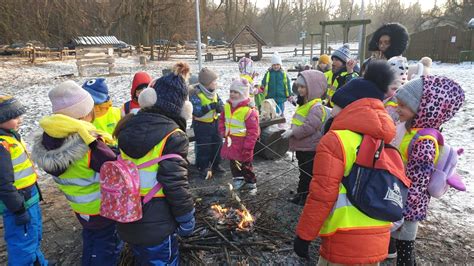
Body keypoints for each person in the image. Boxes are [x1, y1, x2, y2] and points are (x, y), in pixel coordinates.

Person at [294, 60, 396, 265]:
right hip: (378, 233)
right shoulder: (383, 139)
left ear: (351, 108)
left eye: (336, 106)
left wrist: (304, 235)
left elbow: (323, 194)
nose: (331, 112)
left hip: (344, 234)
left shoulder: (336, 141)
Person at [31, 81, 122, 265]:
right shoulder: (87, 142)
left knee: (91, 238)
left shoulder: (51, 138)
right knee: (107, 246)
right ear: (83, 113)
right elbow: (113, 166)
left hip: (79, 206)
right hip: (101, 206)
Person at [114, 62, 195, 264]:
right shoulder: (174, 136)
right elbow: (175, 184)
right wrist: (186, 219)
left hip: (127, 213)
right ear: (181, 107)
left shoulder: (127, 125)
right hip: (156, 222)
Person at [390, 75, 465, 265]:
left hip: (409, 203)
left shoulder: (424, 142)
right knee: (398, 243)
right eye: (398, 103)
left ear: (423, 109)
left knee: (405, 247)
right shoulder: (408, 127)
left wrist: (404, 208)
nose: (398, 108)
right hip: (398, 195)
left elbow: (418, 182)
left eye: (404, 106)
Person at [0, 96, 48, 265]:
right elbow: (3, 184)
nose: (20, 120)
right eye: (14, 117)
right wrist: (18, 210)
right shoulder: (2, 145)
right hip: (19, 204)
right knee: (23, 243)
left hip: (28, 199)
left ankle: (39, 263)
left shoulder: (11, 136)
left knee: (34, 236)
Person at [281, 70, 329, 206]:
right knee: (303, 172)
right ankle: (300, 195)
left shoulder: (316, 107)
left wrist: (293, 132)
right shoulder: (305, 103)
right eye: (299, 87)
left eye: (303, 87)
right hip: (302, 146)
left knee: (307, 174)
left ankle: (305, 197)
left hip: (309, 147)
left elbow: (309, 127)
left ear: (312, 88)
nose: (300, 90)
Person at [219, 78, 260, 195]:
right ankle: (238, 180)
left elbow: (253, 131)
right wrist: (223, 131)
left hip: (243, 142)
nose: (232, 94)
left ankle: (251, 183)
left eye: (236, 92)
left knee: (246, 164)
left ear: (242, 94)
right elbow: (222, 119)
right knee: (233, 162)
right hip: (231, 141)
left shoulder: (248, 111)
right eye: (231, 91)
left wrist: (248, 147)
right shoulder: (227, 106)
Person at [190, 68, 225, 178]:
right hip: (201, 125)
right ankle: (203, 167)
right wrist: (210, 106)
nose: (216, 83)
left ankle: (216, 164)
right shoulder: (196, 94)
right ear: (207, 83)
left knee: (218, 143)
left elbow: (220, 103)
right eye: (214, 81)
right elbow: (197, 111)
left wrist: (220, 108)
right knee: (204, 147)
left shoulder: (214, 92)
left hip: (214, 122)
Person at [384, 56, 409, 123]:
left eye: (396, 89)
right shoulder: (383, 96)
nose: (396, 92)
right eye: (394, 88)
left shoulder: (394, 101)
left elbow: (387, 121)